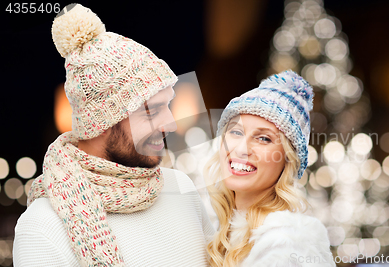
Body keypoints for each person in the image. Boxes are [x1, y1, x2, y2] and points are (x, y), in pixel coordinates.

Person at [13, 4, 214, 267]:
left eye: (168, 105)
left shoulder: (182, 189)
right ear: (101, 122)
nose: (171, 124)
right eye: (152, 111)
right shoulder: (43, 228)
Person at [205, 70, 335, 266]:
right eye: (236, 132)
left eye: (263, 138)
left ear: (288, 160)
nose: (242, 149)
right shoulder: (215, 231)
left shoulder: (289, 243)